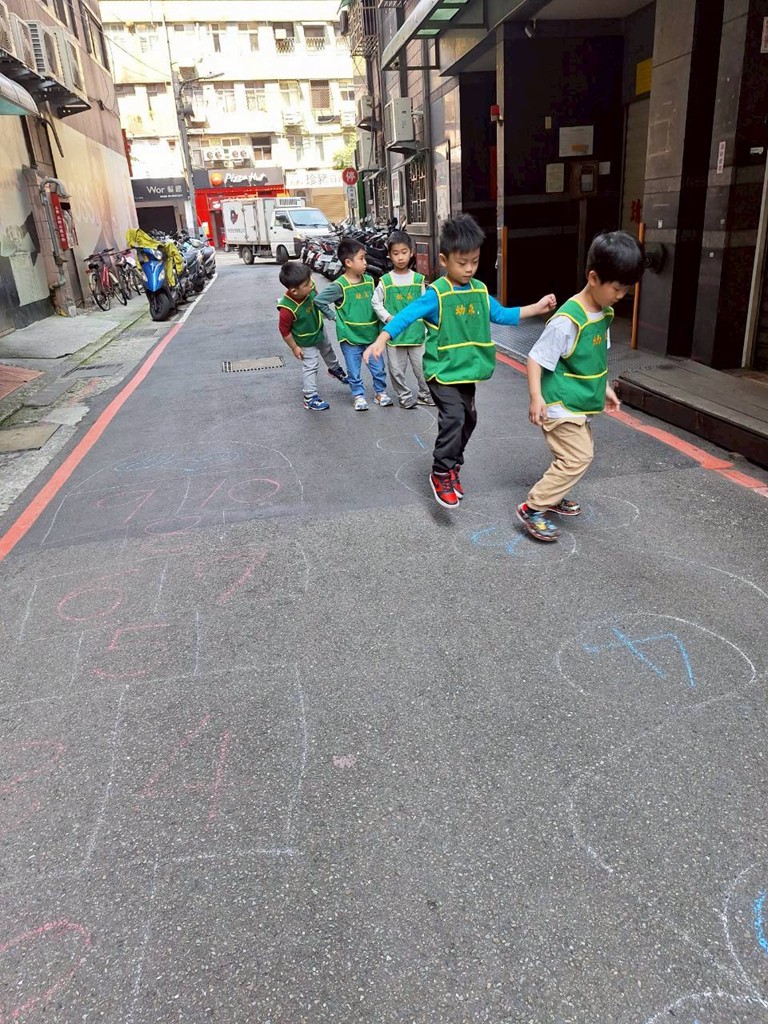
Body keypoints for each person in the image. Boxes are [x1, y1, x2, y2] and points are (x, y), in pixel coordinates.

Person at [364, 214, 556, 509]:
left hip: (467, 372)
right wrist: (382, 339)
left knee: (469, 420)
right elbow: (406, 316)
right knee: (454, 417)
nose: (469, 269)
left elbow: (503, 315)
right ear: (444, 260)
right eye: (462, 262)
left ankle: (454, 465)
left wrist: (537, 307)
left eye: (474, 262)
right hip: (442, 372)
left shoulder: (479, 291)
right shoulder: (437, 294)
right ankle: (441, 472)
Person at [516, 230, 644, 542]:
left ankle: (553, 495)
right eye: (617, 288)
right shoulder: (567, 320)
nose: (621, 295)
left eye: (627, 289)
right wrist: (536, 397)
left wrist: (604, 388)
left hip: (579, 402)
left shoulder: (604, 313)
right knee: (578, 457)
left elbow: (594, 359)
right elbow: (535, 359)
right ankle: (533, 507)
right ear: (594, 278)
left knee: (572, 456)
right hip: (559, 403)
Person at [315, 238, 393, 411]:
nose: (365, 262)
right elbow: (319, 301)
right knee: (353, 369)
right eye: (361, 258)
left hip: (371, 335)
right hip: (349, 336)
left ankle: (380, 393)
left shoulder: (370, 280)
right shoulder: (339, 286)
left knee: (378, 368)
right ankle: (358, 395)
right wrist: (334, 317)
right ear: (348, 262)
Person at [371, 230, 434, 409]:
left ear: (411, 253)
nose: (400, 257)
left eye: (404, 252)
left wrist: (429, 328)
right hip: (395, 335)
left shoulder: (418, 280)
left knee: (423, 368)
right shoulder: (385, 281)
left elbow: (425, 305)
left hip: (417, 334)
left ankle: (425, 394)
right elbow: (376, 302)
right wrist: (388, 317)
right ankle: (404, 396)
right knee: (397, 370)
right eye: (396, 253)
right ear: (390, 255)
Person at [277, 261, 349, 411]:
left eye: (310, 280)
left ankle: (334, 368)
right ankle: (310, 397)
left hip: (318, 329)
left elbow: (318, 299)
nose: (311, 284)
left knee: (328, 350)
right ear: (294, 291)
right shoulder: (287, 309)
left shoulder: (309, 286)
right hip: (304, 341)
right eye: (306, 284)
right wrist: (294, 347)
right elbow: (285, 331)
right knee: (311, 366)